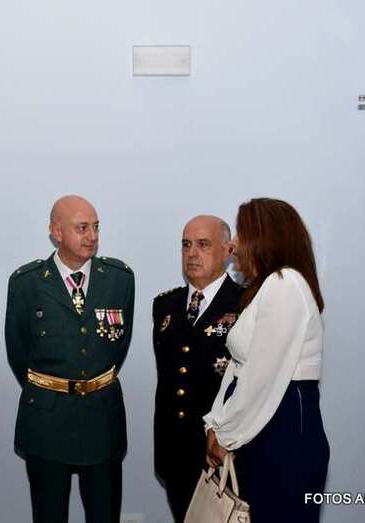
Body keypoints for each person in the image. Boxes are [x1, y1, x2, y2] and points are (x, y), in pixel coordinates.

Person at [5, 195, 135, 523]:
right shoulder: (27, 283)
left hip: (102, 418)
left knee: (104, 514)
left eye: (96, 227)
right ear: (56, 232)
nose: (92, 236)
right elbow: (18, 352)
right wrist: (54, 386)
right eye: (82, 228)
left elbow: (118, 346)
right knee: (49, 514)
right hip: (47, 420)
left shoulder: (119, 278)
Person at [203, 197, 330, 522]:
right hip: (261, 428)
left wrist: (226, 434)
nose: (232, 244)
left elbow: (261, 378)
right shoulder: (267, 287)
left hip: (281, 431)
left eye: (241, 234)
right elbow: (238, 368)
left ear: (264, 238)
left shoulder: (285, 285)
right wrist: (216, 423)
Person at [152, 215, 242, 522]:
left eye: (203, 245)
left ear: (228, 251)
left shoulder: (245, 303)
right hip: (174, 450)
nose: (192, 253)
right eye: (186, 245)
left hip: (222, 451)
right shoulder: (165, 305)